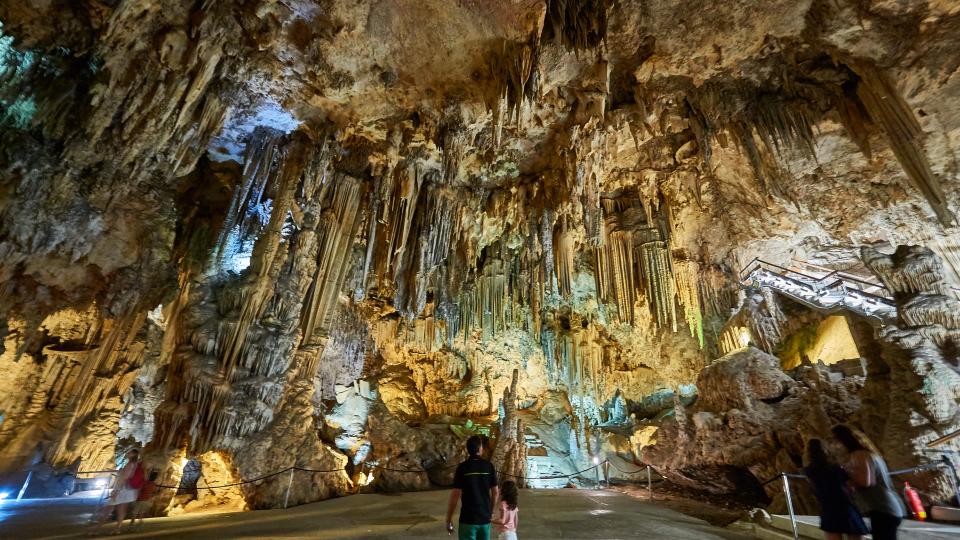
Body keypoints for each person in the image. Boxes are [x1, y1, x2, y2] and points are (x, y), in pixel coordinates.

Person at [831, 425, 906, 540]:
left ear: (842, 440)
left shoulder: (859, 455)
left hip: (883, 508)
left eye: (834, 440)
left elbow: (866, 482)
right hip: (883, 508)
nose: (834, 445)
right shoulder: (865, 454)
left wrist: (846, 480)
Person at [803, 438, 868, 540]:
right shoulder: (835, 467)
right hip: (843, 505)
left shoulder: (808, 471)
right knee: (854, 534)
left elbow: (814, 488)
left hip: (828, 507)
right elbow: (849, 486)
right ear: (825, 450)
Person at [446, 435, 499, 540]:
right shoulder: (489, 466)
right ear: (480, 449)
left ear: (468, 450)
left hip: (468, 519)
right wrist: (491, 511)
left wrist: (449, 518)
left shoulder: (462, 468)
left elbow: (455, 495)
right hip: (484, 519)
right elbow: (495, 492)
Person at [91, 449, 144, 535]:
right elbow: (129, 476)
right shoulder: (135, 465)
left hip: (121, 490)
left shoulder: (130, 464)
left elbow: (124, 478)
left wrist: (115, 491)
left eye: (130, 452)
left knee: (107, 510)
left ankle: (96, 530)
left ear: (133, 454)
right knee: (121, 511)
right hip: (129, 492)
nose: (128, 453)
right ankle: (117, 529)